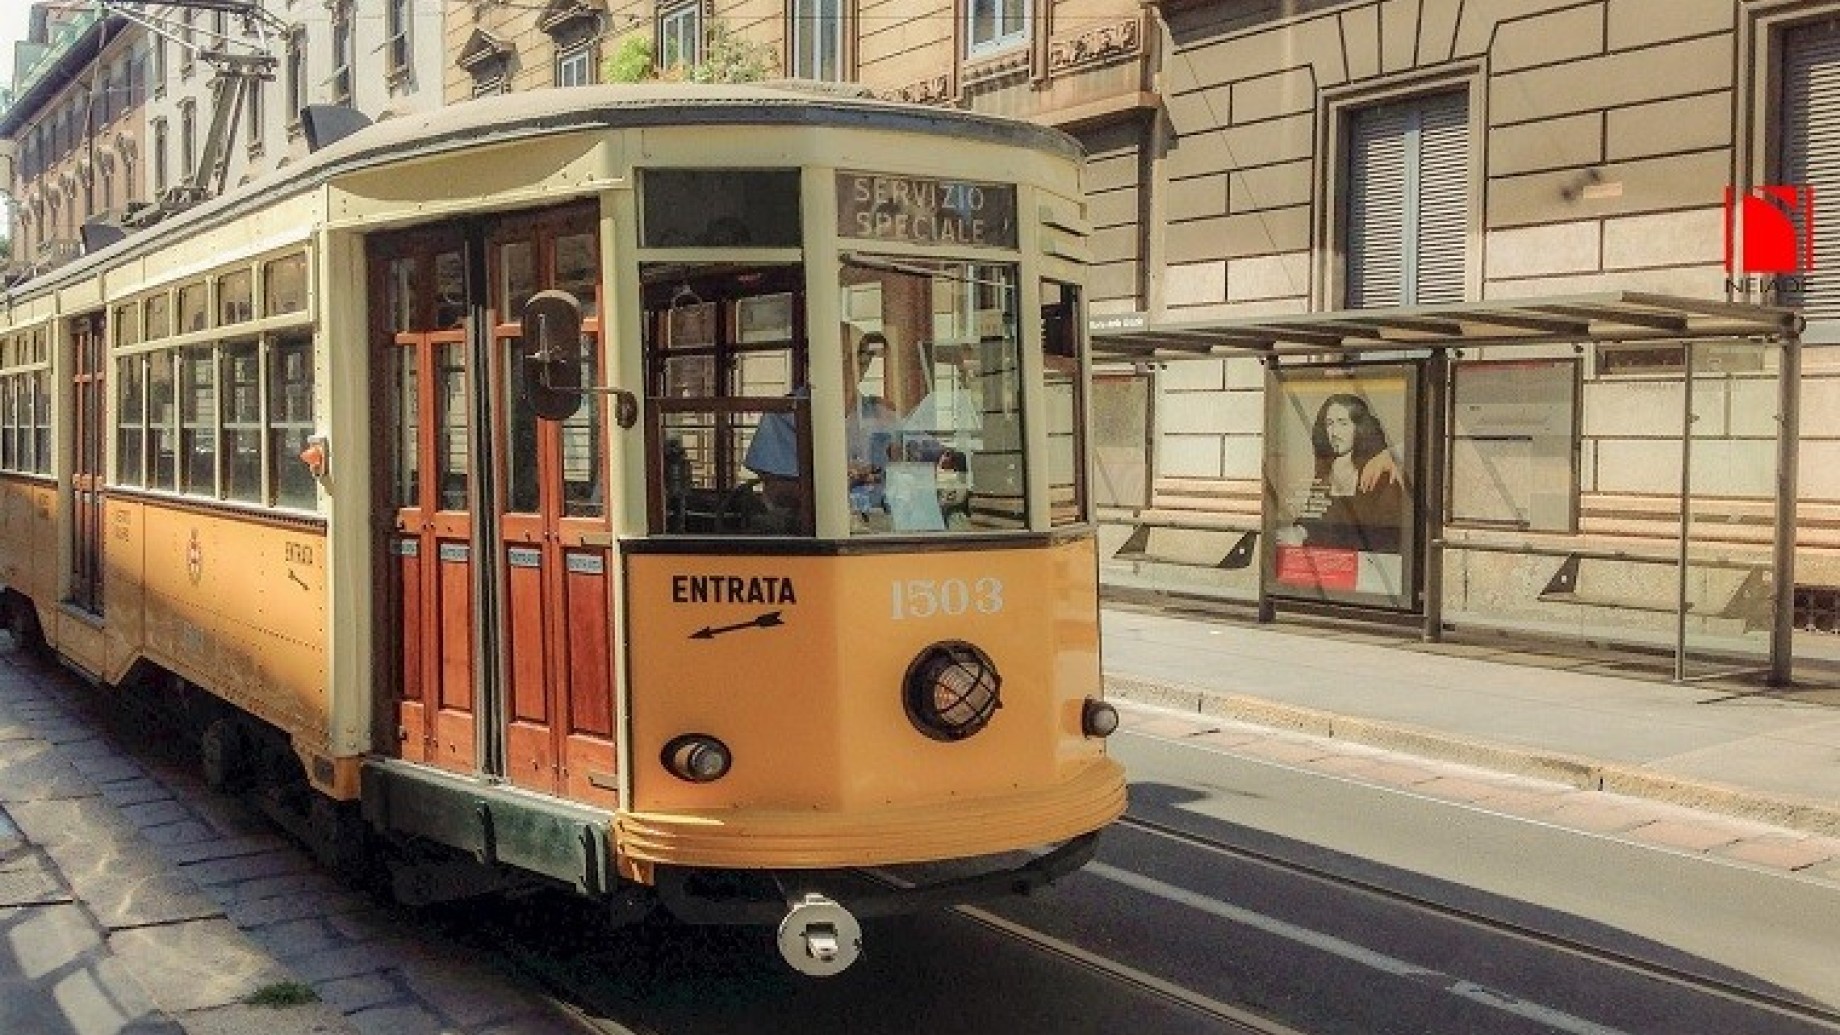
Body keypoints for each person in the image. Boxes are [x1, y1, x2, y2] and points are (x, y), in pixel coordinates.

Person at [741, 329, 898, 523]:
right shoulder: (783, 414)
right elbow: (778, 489)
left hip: (878, 527)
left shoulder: (879, 413)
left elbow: (916, 452)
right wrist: (839, 479)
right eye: (852, 356)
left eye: (865, 356)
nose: (861, 364)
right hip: (809, 528)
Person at [1288, 393, 1404, 553]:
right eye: (1329, 424)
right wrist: (1300, 531)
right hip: (1329, 566)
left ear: (1359, 428)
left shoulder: (1378, 473)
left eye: (1343, 423)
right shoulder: (1326, 470)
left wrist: (1390, 454)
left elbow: (1388, 534)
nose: (1334, 432)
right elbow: (1313, 518)